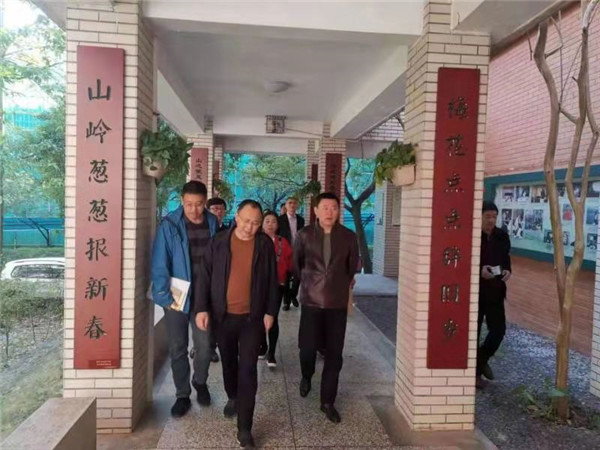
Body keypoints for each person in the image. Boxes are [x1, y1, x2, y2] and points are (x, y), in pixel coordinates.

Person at [195, 200, 279, 449]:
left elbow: (272, 279)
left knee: (249, 369)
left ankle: (245, 428)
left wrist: (271, 312)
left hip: (253, 318)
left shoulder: (264, 244)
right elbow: (204, 276)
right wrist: (201, 308)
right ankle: (232, 395)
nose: (250, 227)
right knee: (229, 362)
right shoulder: (219, 241)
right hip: (223, 316)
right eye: (246, 221)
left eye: (256, 223)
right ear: (237, 218)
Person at [150, 180, 218, 418]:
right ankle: (182, 394)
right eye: (189, 204)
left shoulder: (212, 222)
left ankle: (200, 381)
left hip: (203, 297)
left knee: (204, 346)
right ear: (182, 200)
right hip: (176, 296)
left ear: (205, 202)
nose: (194, 210)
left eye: (199, 204)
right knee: (178, 347)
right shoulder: (169, 224)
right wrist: (163, 296)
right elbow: (160, 261)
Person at [293, 192, 359, 424]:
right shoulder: (304, 235)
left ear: (338, 211)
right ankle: (306, 375)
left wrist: (336, 284)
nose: (329, 212)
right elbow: (296, 266)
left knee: (334, 354)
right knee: (307, 349)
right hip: (311, 300)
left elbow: (352, 267)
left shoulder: (349, 236)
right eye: (325, 207)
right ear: (316, 211)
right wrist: (310, 282)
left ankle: (327, 401)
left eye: (334, 208)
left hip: (336, 303)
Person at [478, 200, 512, 388]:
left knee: (498, 330)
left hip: (496, 290)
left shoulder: (501, 236)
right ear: (479, 217)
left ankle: (480, 360)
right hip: (476, 291)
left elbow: (506, 259)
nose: (491, 220)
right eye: (487, 216)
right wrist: (479, 271)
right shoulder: (472, 236)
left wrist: (507, 270)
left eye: (494, 216)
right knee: (473, 332)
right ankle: (474, 373)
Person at [259, 211, 293, 367]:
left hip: (277, 286)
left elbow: (290, 263)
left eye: (273, 221)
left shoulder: (282, 242)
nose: (270, 224)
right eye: (267, 221)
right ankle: (263, 346)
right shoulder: (256, 240)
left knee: (273, 316)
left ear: (278, 225)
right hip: (258, 287)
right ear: (262, 223)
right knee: (259, 317)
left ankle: (272, 353)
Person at [278, 196, 304, 311]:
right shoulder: (280, 219)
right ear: (286, 205)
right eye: (290, 203)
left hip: (297, 251)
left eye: (294, 203)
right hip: (285, 252)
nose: (292, 205)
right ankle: (286, 302)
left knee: (298, 276)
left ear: (297, 205)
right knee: (286, 277)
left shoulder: (301, 220)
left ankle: (293, 295)